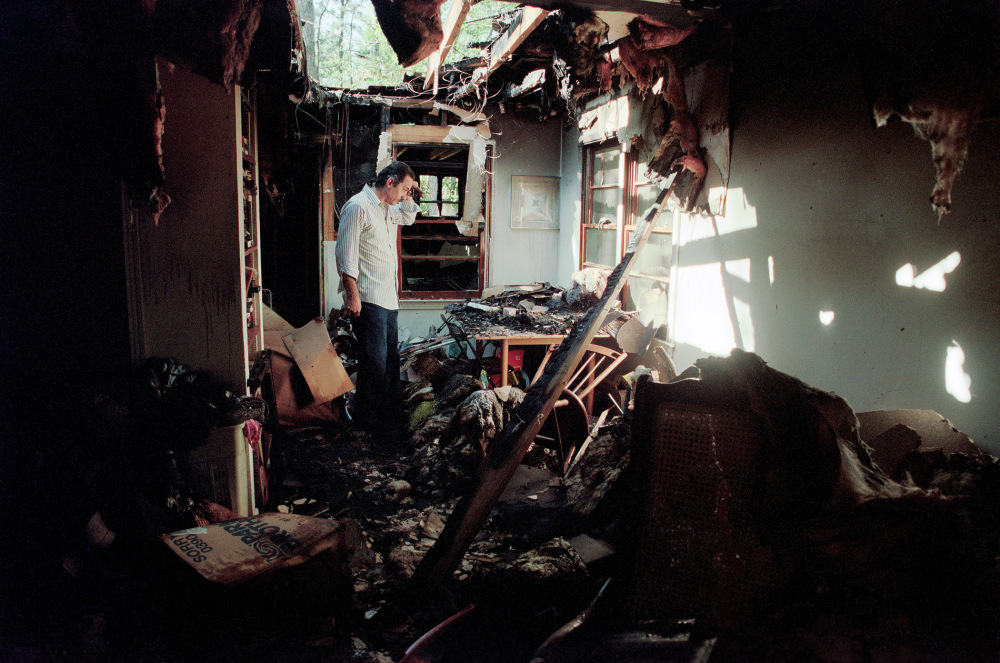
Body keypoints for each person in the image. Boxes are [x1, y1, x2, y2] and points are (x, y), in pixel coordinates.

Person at [335, 162, 421, 435]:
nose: (404, 196)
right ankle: (366, 423)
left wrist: (411, 193)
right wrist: (352, 296)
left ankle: (388, 419)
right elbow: (345, 256)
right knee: (374, 362)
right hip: (368, 298)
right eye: (404, 189)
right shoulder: (358, 206)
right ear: (389, 182)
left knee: (390, 361)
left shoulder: (388, 208)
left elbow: (408, 217)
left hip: (388, 298)